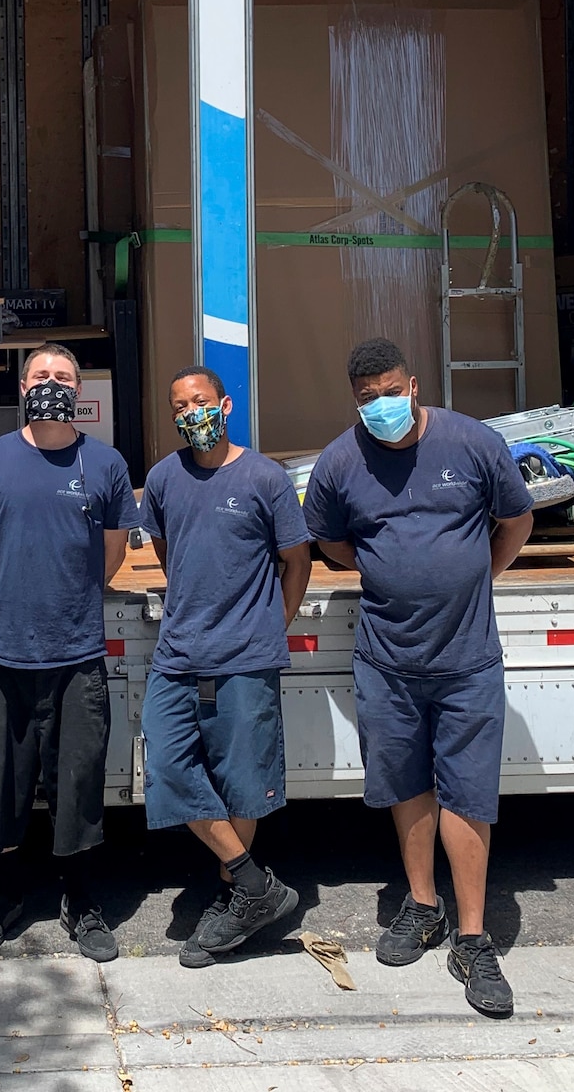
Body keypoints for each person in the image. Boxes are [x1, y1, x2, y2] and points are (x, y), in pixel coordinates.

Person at [301, 337, 535, 1018]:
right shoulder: (342, 461)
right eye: (366, 397)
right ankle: (422, 906)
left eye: (389, 390)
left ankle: (472, 937)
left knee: (467, 793)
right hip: (388, 659)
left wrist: (479, 574)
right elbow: (332, 541)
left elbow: (516, 518)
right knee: (406, 785)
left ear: (415, 384)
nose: (380, 405)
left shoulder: (472, 443)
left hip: (466, 660)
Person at [0, 342, 137, 963]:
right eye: (41, 376)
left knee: (79, 782)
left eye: (63, 377)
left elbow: (114, 553)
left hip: (78, 651)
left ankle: (80, 898)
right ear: (23, 386)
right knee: (3, 784)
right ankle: (3, 895)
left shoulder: (108, 463)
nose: (51, 385)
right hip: (7, 651)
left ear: (79, 389)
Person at [141, 367, 313, 968]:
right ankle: (255, 885)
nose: (191, 413)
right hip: (178, 652)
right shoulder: (163, 478)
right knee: (164, 762)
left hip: (246, 655)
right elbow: (167, 551)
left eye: (201, 402)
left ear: (225, 404)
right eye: (180, 405)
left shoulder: (265, 477)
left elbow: (296, 561)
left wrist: (273, 624)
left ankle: (233, 905)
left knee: (242, 781)